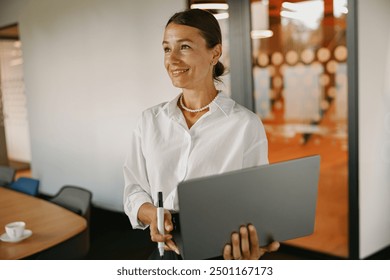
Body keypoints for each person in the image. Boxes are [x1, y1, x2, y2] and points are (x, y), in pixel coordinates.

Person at [123, 8, 279, 260]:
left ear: (215, 53)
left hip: (221, 254)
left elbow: (256, 202)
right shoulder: (149, 121)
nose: (172, 59)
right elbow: (134, 189)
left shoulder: (245, 124)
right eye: (166, 48)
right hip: (167, 254)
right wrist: (150, 212)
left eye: (184, 47)